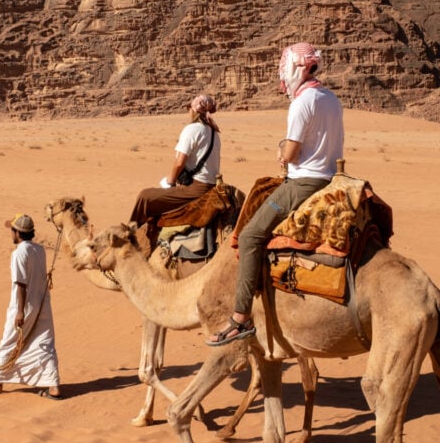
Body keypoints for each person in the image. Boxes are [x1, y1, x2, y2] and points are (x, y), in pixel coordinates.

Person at [207, 42, 344, 346]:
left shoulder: (302, 103)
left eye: (284, 68)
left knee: (249, 235)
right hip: (333, 180)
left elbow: (293, 153)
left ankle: (240, 318)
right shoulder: (331, 98)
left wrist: (282, 150)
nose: (281, 75)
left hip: (304, 183)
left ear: (297, 68)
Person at [0, 212, 61, 398]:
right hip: (42, 304)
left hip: (24, 306)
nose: (11, 234)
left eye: (12, 230)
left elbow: (20, 283)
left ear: (18, 233)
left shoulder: (19, 253)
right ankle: (54, 387)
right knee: (44, 343)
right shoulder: (39, 249)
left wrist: (19, 311)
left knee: (10, 342)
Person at [129, 93, 222, 241]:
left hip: (196, 189)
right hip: (211, 185)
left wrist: (170, 183)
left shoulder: (192, 129)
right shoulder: (214, 132)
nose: (188, 112)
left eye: (189, 108)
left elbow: (179, 163)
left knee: (145, 196)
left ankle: (131, 235)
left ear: (194, 111)